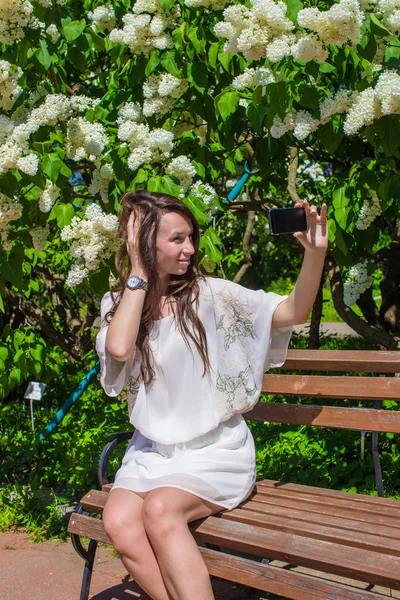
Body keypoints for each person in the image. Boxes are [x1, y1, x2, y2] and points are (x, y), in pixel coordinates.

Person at [96, 189, 328, 600]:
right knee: (118, 522)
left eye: (191, 237)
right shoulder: (121, 302)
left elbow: (292, 312)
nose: (190, 249)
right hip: (152, 452)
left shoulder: (211, 296)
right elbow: (118, 348)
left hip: (215, 451)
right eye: (176, 239)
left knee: (161, 511)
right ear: (144, 243)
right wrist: (139, 271)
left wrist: (314, 253)